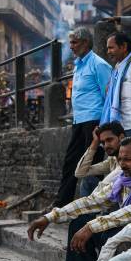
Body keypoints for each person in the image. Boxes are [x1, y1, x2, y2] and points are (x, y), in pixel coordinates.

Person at [27, 136, 131, 261]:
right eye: (120, 160)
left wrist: (91, 227)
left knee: (106, 233)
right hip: (129, 229)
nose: (122, 165)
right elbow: (91, 201)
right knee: (78, 223)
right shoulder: (123, 180)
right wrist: (49, 217)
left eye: (128, 160)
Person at [52, 27, 112, 208]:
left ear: (85, 43)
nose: (71, 47)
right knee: (71, 162)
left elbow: (108, 95)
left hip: (94, 121)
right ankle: (61, 204)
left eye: (74, 42)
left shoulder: (99, 64)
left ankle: (92, 206)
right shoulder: (79, 65)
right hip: (78, 120)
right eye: (70, 42)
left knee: (93, 165)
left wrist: (104, 125)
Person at [76, 121, 124, 197]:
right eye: (103, 142)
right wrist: (95, 143)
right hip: (108, 201)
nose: (106, 145)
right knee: (87, 179)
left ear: (121, 138)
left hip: (123, 205)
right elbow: (80, 172)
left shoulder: (127, 162)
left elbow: (101, 189)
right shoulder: (112, 160)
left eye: (109, 140)